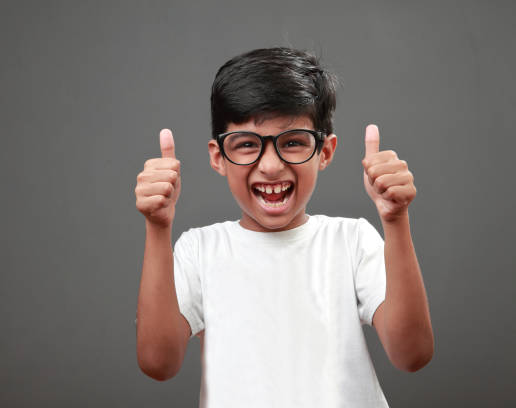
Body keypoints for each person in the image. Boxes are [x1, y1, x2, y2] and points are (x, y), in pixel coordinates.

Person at [134, 47, 434, 407]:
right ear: (219, 157)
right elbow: (157, 363)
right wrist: (157, 226)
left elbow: (412, 355)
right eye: (247, 145)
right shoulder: (199, 250)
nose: (271, 165)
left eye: (292, 142)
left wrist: (396, 220)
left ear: (325, 152)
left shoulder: (351, 241)